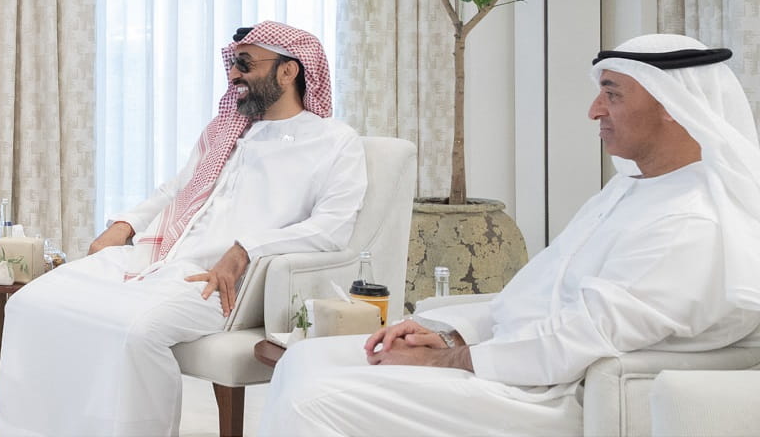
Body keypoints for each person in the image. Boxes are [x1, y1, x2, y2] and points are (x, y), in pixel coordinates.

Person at [264, 33, 760, 436]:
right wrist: (448, 333)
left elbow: (580, 340)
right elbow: (536, 295)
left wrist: (448, 361)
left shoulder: (692, 222)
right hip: (518, 361)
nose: (593, 110)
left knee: (316, 402)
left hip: (548, 393)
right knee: (305, 359)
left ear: (675, 105)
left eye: (612, 94)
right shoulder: (632, 189)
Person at [0, 21, 367, 437]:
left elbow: (332, 228)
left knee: (138, 333)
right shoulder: (227, 130)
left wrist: (247, 248)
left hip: (226, 282)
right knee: (30, 302)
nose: (233, 74)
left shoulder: (335, 142)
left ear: (289, 70)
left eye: (244, 63)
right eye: (231, 63)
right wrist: (125, 224)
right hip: (160, 258)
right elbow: (177, 189)